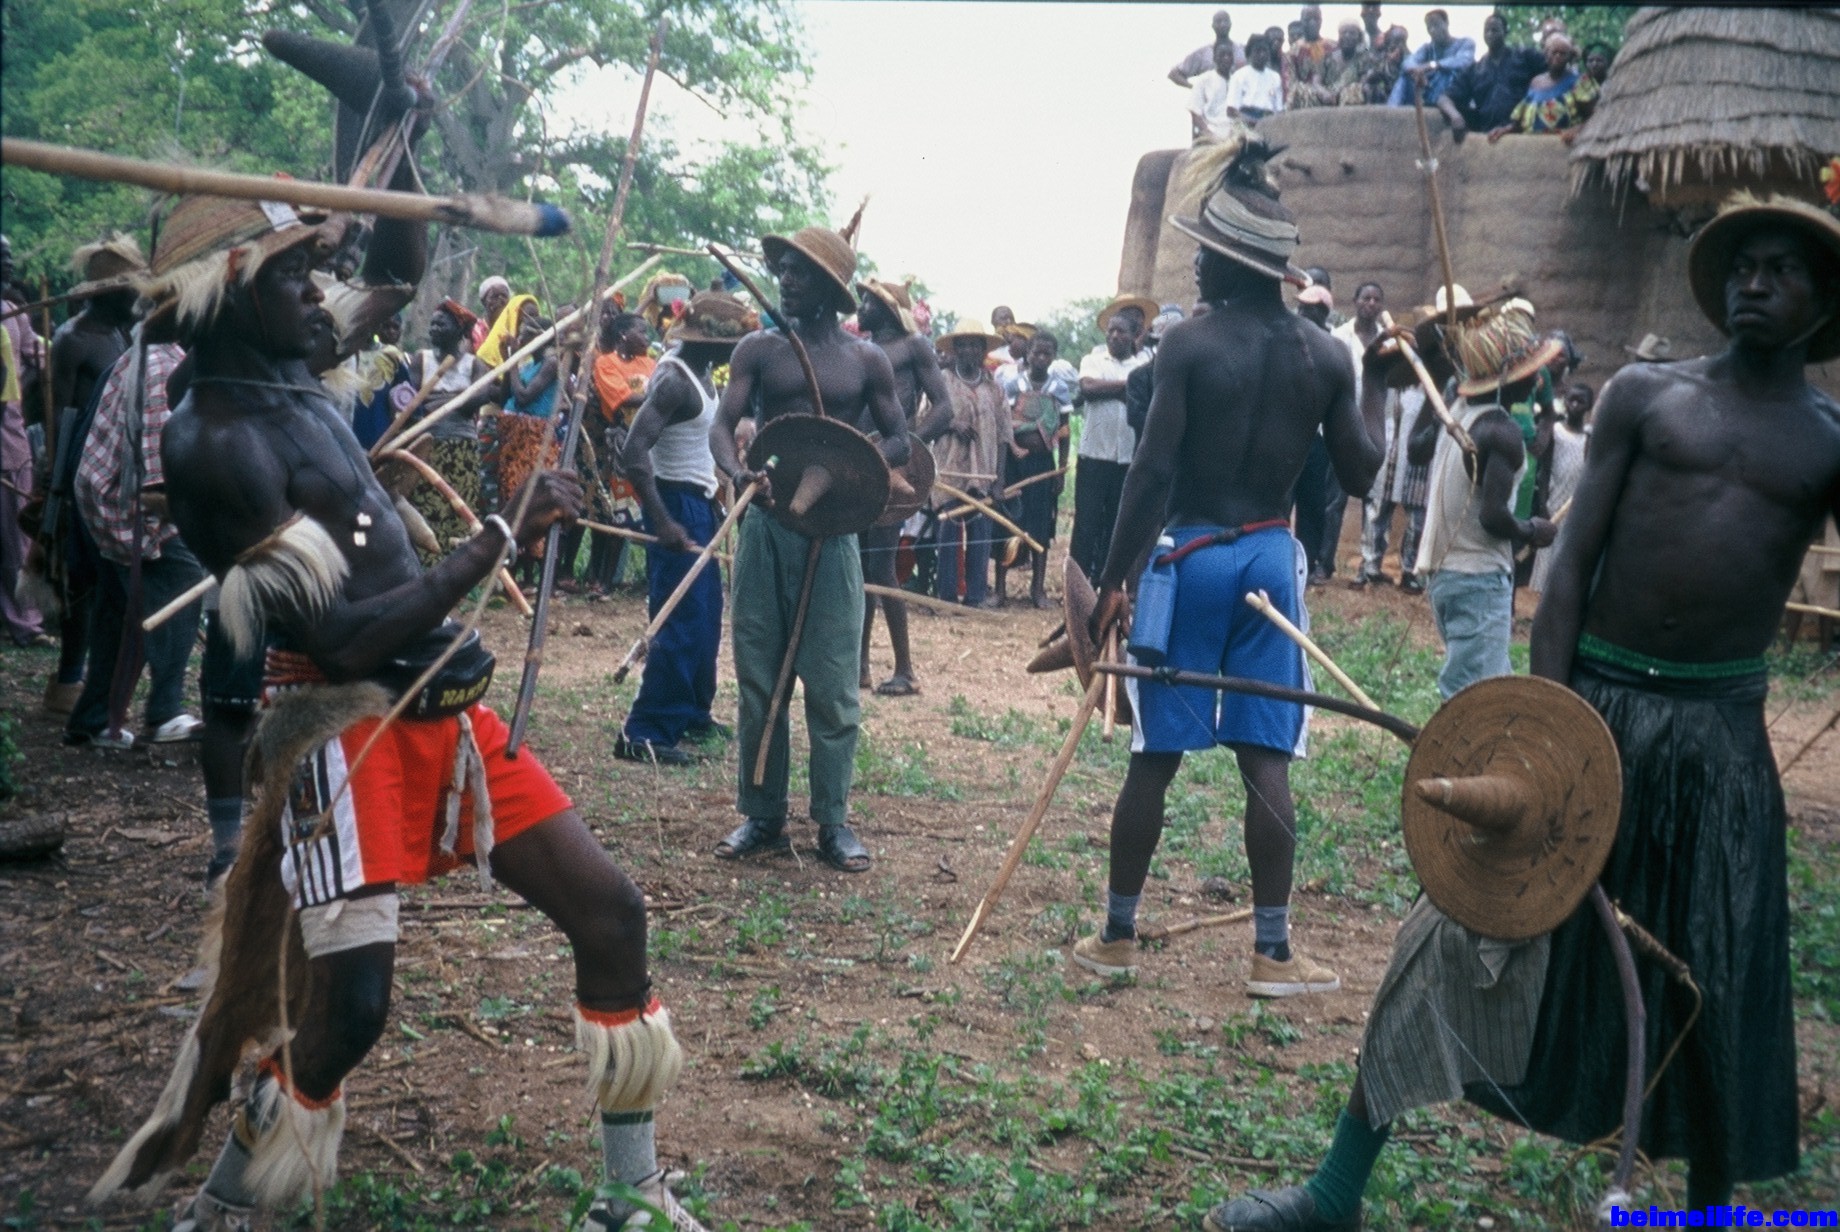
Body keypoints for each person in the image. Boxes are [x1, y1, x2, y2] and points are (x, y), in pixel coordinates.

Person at [1202, 193, 1840, 1232]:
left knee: (1713, 973)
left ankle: (1709, 1213)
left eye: (1783, 269)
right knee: (1457, 924)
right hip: (1594, 709)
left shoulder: (1825, 440)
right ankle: (1332, 1193)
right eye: (1741, 267)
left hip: (1720, 740)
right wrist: (1548, 725)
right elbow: (1571, 567)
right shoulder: (1649, 397)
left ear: (1825, 301)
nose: (1754, 284)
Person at [89, 184, 711, 1231]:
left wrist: (409, 176)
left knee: (612, 915)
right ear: (226, 295)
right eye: (292, 275)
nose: (316, 292)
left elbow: (394, 270)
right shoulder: (213, 439)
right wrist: (498, 535)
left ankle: (628, 1196)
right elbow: (336, 639)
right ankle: (224, 1207)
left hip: (445, 705)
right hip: (339, 727)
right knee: (351, 1013)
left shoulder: (290, 360)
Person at [1071, 139, 1384, 998]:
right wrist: (1378, 383)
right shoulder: (1327, 358)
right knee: (1265, 754)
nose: (1198, 264)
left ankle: (1118, 936)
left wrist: (1112, 582)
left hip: (1192, 562)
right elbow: (1361, 474)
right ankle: (1272, 954)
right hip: (1269, 567)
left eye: (1207, 251)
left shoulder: (1191, 346)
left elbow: (1151, 474)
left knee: (1154, 755)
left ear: (1238, 262)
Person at [708, 222, 909, 875]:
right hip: (767, 523)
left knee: (831, 681)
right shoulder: (759, 350)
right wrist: (738, 473)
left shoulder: (866, 361)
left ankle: (833, 820)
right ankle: (761, 813)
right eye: (783, 270)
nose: (786, 281)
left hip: (833, 536)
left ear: (827, 287)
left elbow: (898, 437)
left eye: (799, 272)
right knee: (758, 675)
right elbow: (722, 423)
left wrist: (856, 469)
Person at [616, 293, 753, 764]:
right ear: (711, 340)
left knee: (706, 615)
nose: (735, 353)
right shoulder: (674, 380)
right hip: (674, 503)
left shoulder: (703, 374)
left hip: (698, 504)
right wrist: (662, 520)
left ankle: (693, 712)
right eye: (732, 344)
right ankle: (645, 732)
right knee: (679, 621)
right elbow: (634, 453)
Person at [63, 333, 208, 749]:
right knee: (179, 580)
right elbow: (157, 479)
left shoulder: (152, 353)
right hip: (127, 506)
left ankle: (92, 720)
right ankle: (165, 712)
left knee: (121, 612)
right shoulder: (165, 367)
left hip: (104, 498)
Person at [1408, 302, 1559, 698]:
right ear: (1507, 379)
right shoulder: (1500, 430)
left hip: (1446, 577)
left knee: (1486, 688)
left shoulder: (1460, 409)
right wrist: (1532, 530)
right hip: (1476, 578)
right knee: (1474, 695)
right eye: (1529, 372)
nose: (1537, 381)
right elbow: (1492, 516)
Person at [39, 236, 147, 707]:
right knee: (78, 578)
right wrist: (56, 479)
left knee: (110, 578)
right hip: (78, 472)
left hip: (117, 467)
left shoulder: (122, 333)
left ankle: (95, 680)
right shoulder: (73, 339)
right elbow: (56, 413)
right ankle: (68, 678)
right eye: (132, 289)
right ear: (110, 292)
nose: (139, 297)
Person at [856, 276, 952, 696]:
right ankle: (859, 665)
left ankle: (905, 669)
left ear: (887, 309)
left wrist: (909, 446)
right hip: (859, 461)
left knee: (881, 566)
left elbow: (944, 408)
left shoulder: (914, 347)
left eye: (868, 302)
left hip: (894, 467)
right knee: (859, 566)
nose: (860, 308)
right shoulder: (859, 349)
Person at [401, 300, 492, 565]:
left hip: (462, 448)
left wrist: (438, 399)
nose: (434, 328)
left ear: (459, 330)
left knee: (460, 506)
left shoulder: (475, 365)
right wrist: (456, 398)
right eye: (433, 324)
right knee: (426, 503)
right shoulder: (421, 360)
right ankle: (425, 565)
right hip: (427, 445)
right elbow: (413, 403)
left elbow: (477, 400)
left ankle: (457, 568)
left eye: (441, 324)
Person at [1069, 296, 1152, 583]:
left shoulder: (1144, 363)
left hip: (1127, 458)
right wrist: (1128, 387)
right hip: (1094, 456)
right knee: (1086, 524)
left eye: (1121, 331)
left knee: (1115, 524)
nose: (1115, 336)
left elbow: (1146, 394)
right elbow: (1089, 388)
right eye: (1111, 331)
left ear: (1134, 336)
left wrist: (1116, 390)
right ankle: (1077, 583)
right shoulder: (1093, 360)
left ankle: (1103, 583)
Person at [932, 319, 1013, 610]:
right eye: (963, 345)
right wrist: (952, 423)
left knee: (980, 534)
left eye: (975, 346)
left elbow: (1004, 436)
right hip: (949, 470)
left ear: (982, 351)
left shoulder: (995, 388)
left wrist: (999, 480)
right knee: (948, 532)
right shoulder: (941, 382)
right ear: (955, 350)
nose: (968, 351)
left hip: (983, 472)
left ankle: (975, 597)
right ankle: (946, 597)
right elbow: (925, 421)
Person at [1000, 329, 1075, 609]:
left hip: (1044, 465)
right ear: (1027, 354)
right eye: (1036, 352)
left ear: (1053, 356)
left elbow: (1064, 431)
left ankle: (1038, 590)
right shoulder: (1013, 385)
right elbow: (1005, 426)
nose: (1041, 358)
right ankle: (1000, 590)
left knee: (1041, 525)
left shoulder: (1059, 389)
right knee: (1009, 523)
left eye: (1047, 353)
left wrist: (1061, 470)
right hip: (1015, 465)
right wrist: (1008, 456)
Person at [0, 235, 50, 650]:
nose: (9, 264)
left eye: (10, 256)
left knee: (18, 533)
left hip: (10, 441)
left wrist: (20, 386)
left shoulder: (14, 312)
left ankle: (25, 620)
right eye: (1, 257)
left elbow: (39, 357)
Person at [584, 309, 655, 596]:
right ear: (624, 335)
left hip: (653, 442)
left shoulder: (650, 363)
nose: (646, 338)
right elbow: (622, 398)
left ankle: (652, 578)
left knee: (653, 505)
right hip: (624, 441)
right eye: (641, 332)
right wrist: (657, 396)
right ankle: (605, 581)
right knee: (621, 508)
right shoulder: (606, 363)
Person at [1526, 381, 1591, 594]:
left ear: (1589, 406)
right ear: (1564, 402)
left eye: (1581, 401)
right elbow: (1545, 471)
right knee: (1548, 549)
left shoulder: (1589, 439)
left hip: (1574, 505)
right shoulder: (1556, 431)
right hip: (1554, 501)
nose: (1575, 405)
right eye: (1571, 400)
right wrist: (1543, 504)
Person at [1438, 12, 1544, 142]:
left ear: (1505, 32)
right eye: (1486, 31)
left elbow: (1553, 72)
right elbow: (1444, 98)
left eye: (1495, 30)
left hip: (1521, 131)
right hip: (1488, 134)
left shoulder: (1525, 57)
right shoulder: (1474, 70)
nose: (1490, 34)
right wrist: (1455, 117)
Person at [1488, 33, 1599, 141]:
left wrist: (1578, 129)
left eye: (1563, 53)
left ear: (1570, 57)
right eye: (1554, 52)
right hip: (1534, 148)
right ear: (1546, 54)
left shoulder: (1580, 82)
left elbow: (1597, 116)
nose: (1558, 56)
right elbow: (1521, 121)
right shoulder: (1535, 82)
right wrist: (1506, 129)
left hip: (1565, 147)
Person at [1387, 8, 1474, 107]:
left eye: (1436, 25)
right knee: (1405, 76)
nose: (1432, 30)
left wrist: (1432, 65)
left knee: (1447, 73)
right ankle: (1391, 110)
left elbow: (1464, 61)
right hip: (1429, 91)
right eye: (1429, 27)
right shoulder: (1427, 48)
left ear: (1446, 23)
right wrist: (1417, 72)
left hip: (1454, 96)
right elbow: (1408, 62)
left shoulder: (1465, 43)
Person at [1169, 9, 1243, 87]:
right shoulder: (1202, 54)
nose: (1222, 24)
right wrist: (1195, 89)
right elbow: (1174, 74)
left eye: (1225, 21)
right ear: (1213, 26)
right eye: (1218, 21)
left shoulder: (1243, 51)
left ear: (1230, 24)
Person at [1189, 41, 1245, 143]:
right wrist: (1209, 134)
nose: (1226, 58)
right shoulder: (1204, 80)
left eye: (1229, 55)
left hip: (1235, 135)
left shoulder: (1238, 81)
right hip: (1211, 135)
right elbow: (1195, 113)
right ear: (1214, 58)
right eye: (1222, 55)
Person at [1284, 5, 1335, 110]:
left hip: (1331, 94)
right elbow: (1291, 82)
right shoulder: (1293, 51)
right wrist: (1315, 90)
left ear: (1321, 21)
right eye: (1308, 19)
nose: (1312, 23)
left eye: (1316, 19)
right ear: (1301, 21)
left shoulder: (1332, 47)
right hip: (1304, 98)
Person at [1226, 35, 1285, 123]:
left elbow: (1279, 109)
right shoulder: (1239, 76)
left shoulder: (1275, 77)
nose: (1262, 54)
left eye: (1265, 51)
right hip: (1245, 121)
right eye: (1258, 51)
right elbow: (1231, 110)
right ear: (1249, 53)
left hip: (1270, 121)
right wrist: (1254, 121)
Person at [472, 273, 511, 350]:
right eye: (494, 296)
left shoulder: (512, 329)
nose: (500, 300)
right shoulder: (475, 331)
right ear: (484, 302)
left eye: (504, 296)